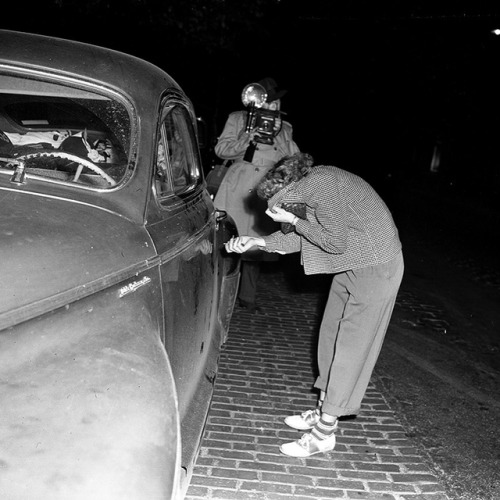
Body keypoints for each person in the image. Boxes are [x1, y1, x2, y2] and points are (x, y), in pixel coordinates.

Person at [225, 152, 404, 457]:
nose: (271, 215)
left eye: (275, 208)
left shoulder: (322, 185)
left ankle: (324, 433)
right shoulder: (309, 184)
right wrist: (259, 242)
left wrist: (293, 220)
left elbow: (333, 242)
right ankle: (323, 410)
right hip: (350, 262)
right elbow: (309, 239)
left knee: (350, 348)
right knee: (330, 337)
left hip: (377, 267)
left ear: (290, 192)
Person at [214, 77, 300, 312]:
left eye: (276, 103)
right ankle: (219, 296)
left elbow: (295, 160)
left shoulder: (285, 127)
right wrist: (247, 137)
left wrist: (279, 140)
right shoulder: (239, 118)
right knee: (229, 241)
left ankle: (247, 298)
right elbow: (221, 150)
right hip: (238, 187)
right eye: (268, 103)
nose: (271, 108)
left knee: (256, 246)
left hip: (266, 189)